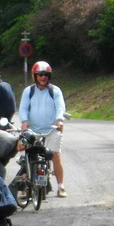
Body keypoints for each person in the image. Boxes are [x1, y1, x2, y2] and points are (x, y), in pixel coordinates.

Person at [18, 61, 67, 197]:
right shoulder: (29, 91)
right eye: (40, 75)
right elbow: (23, 108)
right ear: (35, 76)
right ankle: (25, 185)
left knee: (56, 156)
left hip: (51, 129)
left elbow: (60, 107)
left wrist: (59, 120)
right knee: (26, 156)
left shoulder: (55, 91)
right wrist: (24, 122)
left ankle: (61, 186)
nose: (43, 77)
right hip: (33, 130)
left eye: (45, 75)